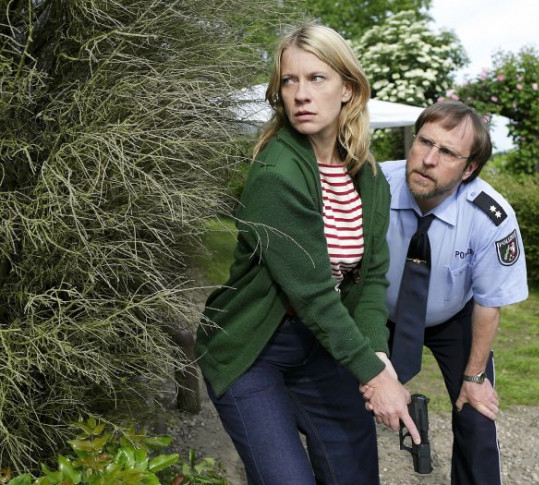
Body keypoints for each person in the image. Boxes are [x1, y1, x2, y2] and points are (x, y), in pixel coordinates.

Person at [195, 24, 419, 485]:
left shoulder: (368, 176)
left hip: (319, 345)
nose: (301, 94)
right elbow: (314, 294)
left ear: (348, 88)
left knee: (355, 472)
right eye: (289, 81)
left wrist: (377, 352)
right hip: (254, 348)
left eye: (317, 78)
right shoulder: (277, 174)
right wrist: (376, 378)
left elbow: (371, 278)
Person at [378, 101, 529, 484]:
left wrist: (474, 377)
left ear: (469, 169)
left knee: (477, 414)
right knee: (342, 402)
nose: (428, 159)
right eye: (424, 142)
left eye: (447, 152)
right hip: (379, 311)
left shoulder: (491, 217)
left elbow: (489, 302)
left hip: (454, 316)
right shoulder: (375, 184)